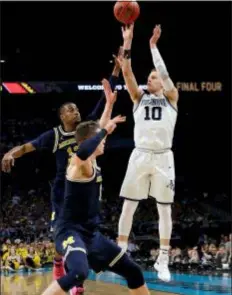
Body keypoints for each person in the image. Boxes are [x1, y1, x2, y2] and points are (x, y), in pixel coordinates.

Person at [1, 50, 122, 295]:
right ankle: (62, 268)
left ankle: (77, 281)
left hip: (86, 186)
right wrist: (10, 153)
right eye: (70, 110)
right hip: (62, 192)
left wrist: (117, 70)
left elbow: (105, 98)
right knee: (62, 238)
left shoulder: (87, 127)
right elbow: (27, 146)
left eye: (76, 109)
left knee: (84, 235)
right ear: (61, 115)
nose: (75, 112)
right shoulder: (54, 135)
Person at [41, 82, 150, 295]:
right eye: (100, 138)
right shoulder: (76, 163)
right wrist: (104, 130)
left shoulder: (92, 159)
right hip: (70, 231)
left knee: (133, 271)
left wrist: (108, 105)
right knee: (79, 273)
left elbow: (93, 132)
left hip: (91, 234)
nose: (104, 141)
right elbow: (88, 142)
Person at [117, 24, 179, 282]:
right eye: (149, 77)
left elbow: (164, 74)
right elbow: (127, 71)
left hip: (164, 157)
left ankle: (163, 259)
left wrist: (153, 47)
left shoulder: (172, 97)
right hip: (140, 154)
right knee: (129, 205)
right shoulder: (138, 98)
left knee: (164, 210)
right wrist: (128, 42)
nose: (150, 79)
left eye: (153, 77)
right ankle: (119, 253)